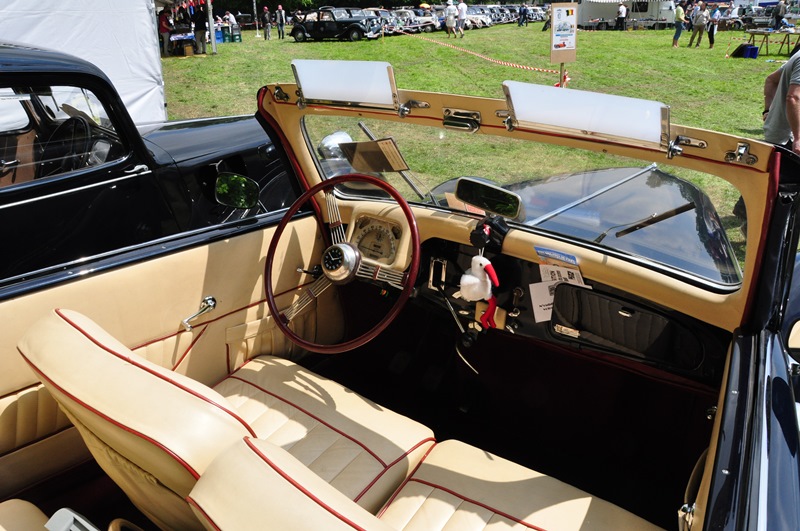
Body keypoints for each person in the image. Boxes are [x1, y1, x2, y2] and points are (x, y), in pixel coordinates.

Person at [763, 52, 800, 155]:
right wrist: (798, 138)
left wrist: (767, 111)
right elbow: (793, 98)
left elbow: (771, 80)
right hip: (788, 141)